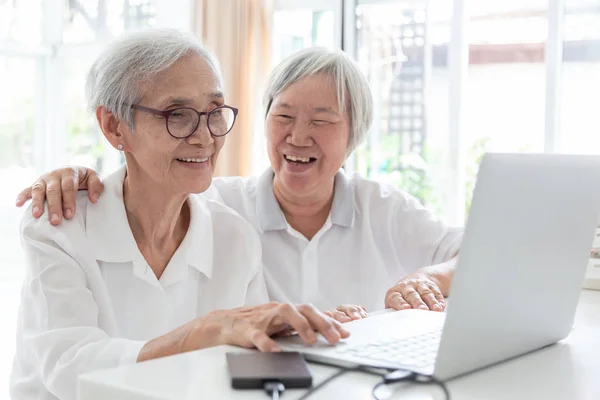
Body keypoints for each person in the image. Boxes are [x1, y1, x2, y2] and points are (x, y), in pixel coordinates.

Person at [10, 29, 349, 400]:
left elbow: (248, 366)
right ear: (113, 126)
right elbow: (70, 369)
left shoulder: (233, 235)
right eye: (178, 115)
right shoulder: (60, 228)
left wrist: (308, 337)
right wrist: (202, 333)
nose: (205, 137)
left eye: (214, 112)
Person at [16, 47, 462, 319]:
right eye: (283, 116)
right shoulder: (219, 203)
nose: (297, 136)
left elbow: (482, 255)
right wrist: (75, 176)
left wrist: (429, 277)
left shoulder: (384, 209)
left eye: (322, 121)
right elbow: (149, 181)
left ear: (354, 136)